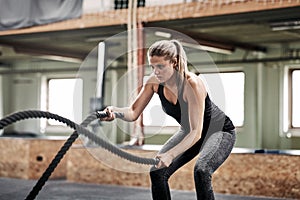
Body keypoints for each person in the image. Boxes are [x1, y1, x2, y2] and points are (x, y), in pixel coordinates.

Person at [100, 39, 236, 200]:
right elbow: (133, 112)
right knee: (157, 171)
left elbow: (196, 132)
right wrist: (115, 112)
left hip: (218, 131)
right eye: (152, 66)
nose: (155, 71)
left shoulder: (192, 84)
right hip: (189, 132)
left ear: (174, 62)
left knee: (202, 170)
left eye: (160, 66)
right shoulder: (153, 82)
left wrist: (171, 155)